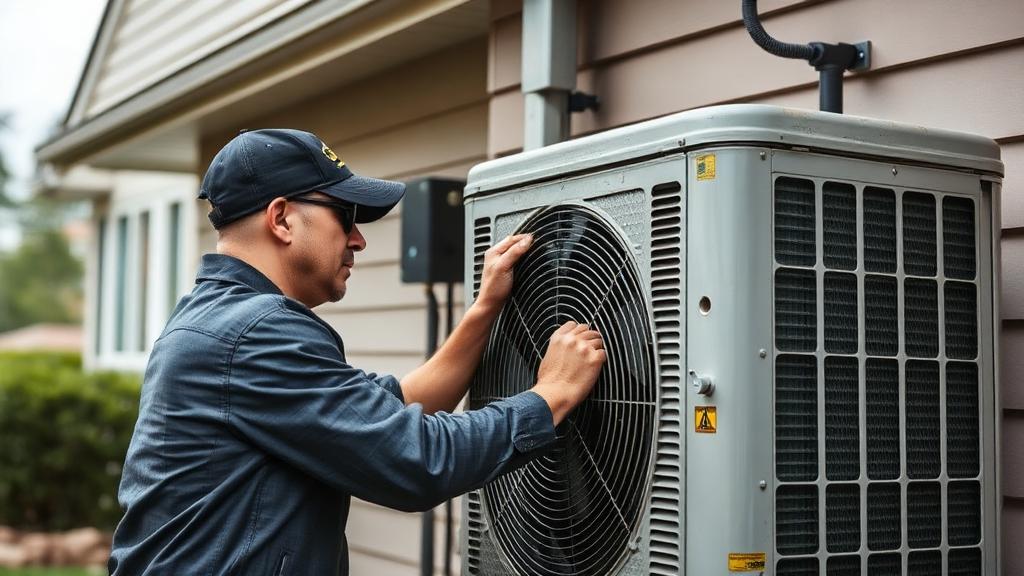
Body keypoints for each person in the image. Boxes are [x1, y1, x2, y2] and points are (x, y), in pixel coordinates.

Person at [107, 128, 606, 575]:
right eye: (345, 216)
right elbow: (417, 461)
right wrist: (552, 395)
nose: (358, 239)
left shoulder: (214, 319)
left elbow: (393, 407)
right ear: (281, 218)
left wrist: (484, 310)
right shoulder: (257, 331)